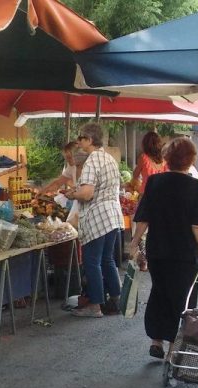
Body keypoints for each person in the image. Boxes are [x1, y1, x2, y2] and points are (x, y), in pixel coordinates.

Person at [130, 137, 198, 359]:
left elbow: (144, 217)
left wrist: (133, 243)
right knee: (182, 298)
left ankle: (156, 340)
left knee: (159, 291)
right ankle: (173, 346)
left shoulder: (154, 182)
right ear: (190, 160)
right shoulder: (196, 187)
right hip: (183, 252)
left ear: (167, 158)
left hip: (157, 249)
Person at [64, 123, 124, 317]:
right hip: (113, 214)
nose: (79, 142)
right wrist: (77, 191)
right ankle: (116, 299)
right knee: (107, 259)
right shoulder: (109, 158)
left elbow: (88, 193)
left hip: (97, 216)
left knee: (92, 261)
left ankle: (95, 305)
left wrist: (73, 195)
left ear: (89, 140)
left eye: (81, 138)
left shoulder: (92, 161)